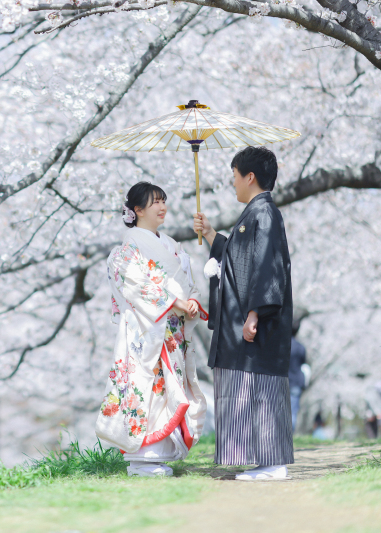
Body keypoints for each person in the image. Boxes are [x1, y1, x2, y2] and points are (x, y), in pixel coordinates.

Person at [193, 146, 294, 481]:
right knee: (246, 386)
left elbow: (266, 267)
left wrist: (254, 313)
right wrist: (210, 235)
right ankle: (262, 461)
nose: (232, 183)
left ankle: (272, 464)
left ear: (249, 176)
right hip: (245, 320)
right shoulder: (256, 212)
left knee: (260, 387)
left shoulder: (263, 213)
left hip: (253, 323)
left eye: (234, 176)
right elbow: (241, 260)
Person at [96, 182, 208, 477]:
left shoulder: (173, 246)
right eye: (155, 202)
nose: (162, 207)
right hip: (147, 330)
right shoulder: (125, 251)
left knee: (170, 389)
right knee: (147, 387)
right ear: (138, 210)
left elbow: (188, 282)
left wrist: (192, 300)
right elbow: (136, 286)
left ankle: (158, 455)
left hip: (172, 331)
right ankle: (141, 458)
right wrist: (175, 302)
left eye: (163, 201)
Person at [288, 313, 307, 431]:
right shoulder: (301, 347)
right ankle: (290, 437)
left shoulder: (281, 345)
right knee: (293, 412)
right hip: (296, 382)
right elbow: (303, 364)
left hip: (282, 380)